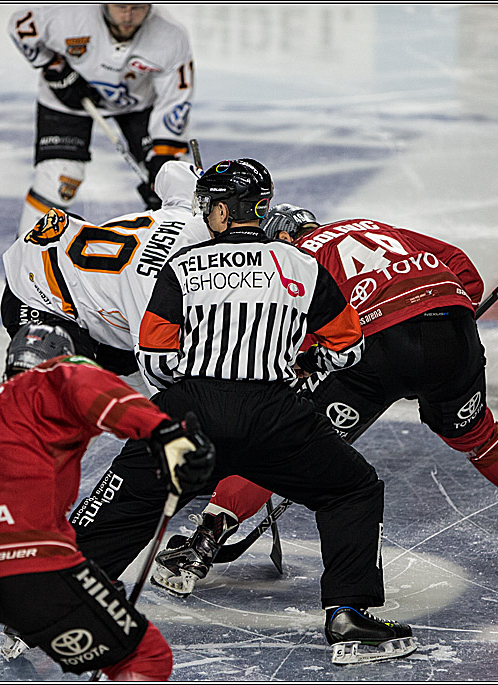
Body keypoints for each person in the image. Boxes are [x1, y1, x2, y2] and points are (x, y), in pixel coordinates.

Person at [70, 159, 418, 666]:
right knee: (352, 490)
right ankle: (347, 616)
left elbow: (155, 356)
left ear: (221, 210)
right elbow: (348, 349)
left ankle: (56, 607)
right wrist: (302, 363)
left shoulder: (182, 265)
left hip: (190, 411)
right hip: (276, 415)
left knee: (122, 510)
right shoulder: (301, 266)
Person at [151, 204, 498, 599]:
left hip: (376, 345)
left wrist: (302, 363)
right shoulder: (376, 226)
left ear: (282, 237)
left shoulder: (291, 259)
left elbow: (294, 333)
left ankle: (202, 544)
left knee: (285, 439)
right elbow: (461, 266)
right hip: (451, 329)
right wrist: (448, 316)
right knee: (476, 432)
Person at [0, 324, 215, 680]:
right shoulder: (56, 374)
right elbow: (93, 390)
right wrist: (165, 434)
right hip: (24, 558)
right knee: (143, 657)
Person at [0, 160, 208, 379]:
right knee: (78, 397)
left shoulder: (195, 210)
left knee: (127, 387)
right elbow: (157, 365)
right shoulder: (162, 277)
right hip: (40, 289)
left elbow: (174, 171)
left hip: (85, 282)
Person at [8, 4, 195, 237]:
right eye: (120, 6)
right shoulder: (70, 15)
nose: (127, 16)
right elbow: (20, 27)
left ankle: (177, 259)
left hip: (136, 104)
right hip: (68, 102)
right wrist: (57, 70)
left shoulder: (170, 36)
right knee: (60, 180)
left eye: (136, 8)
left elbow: (175, 99)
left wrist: (164, 157)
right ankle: (26, 263)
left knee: (174, 179)